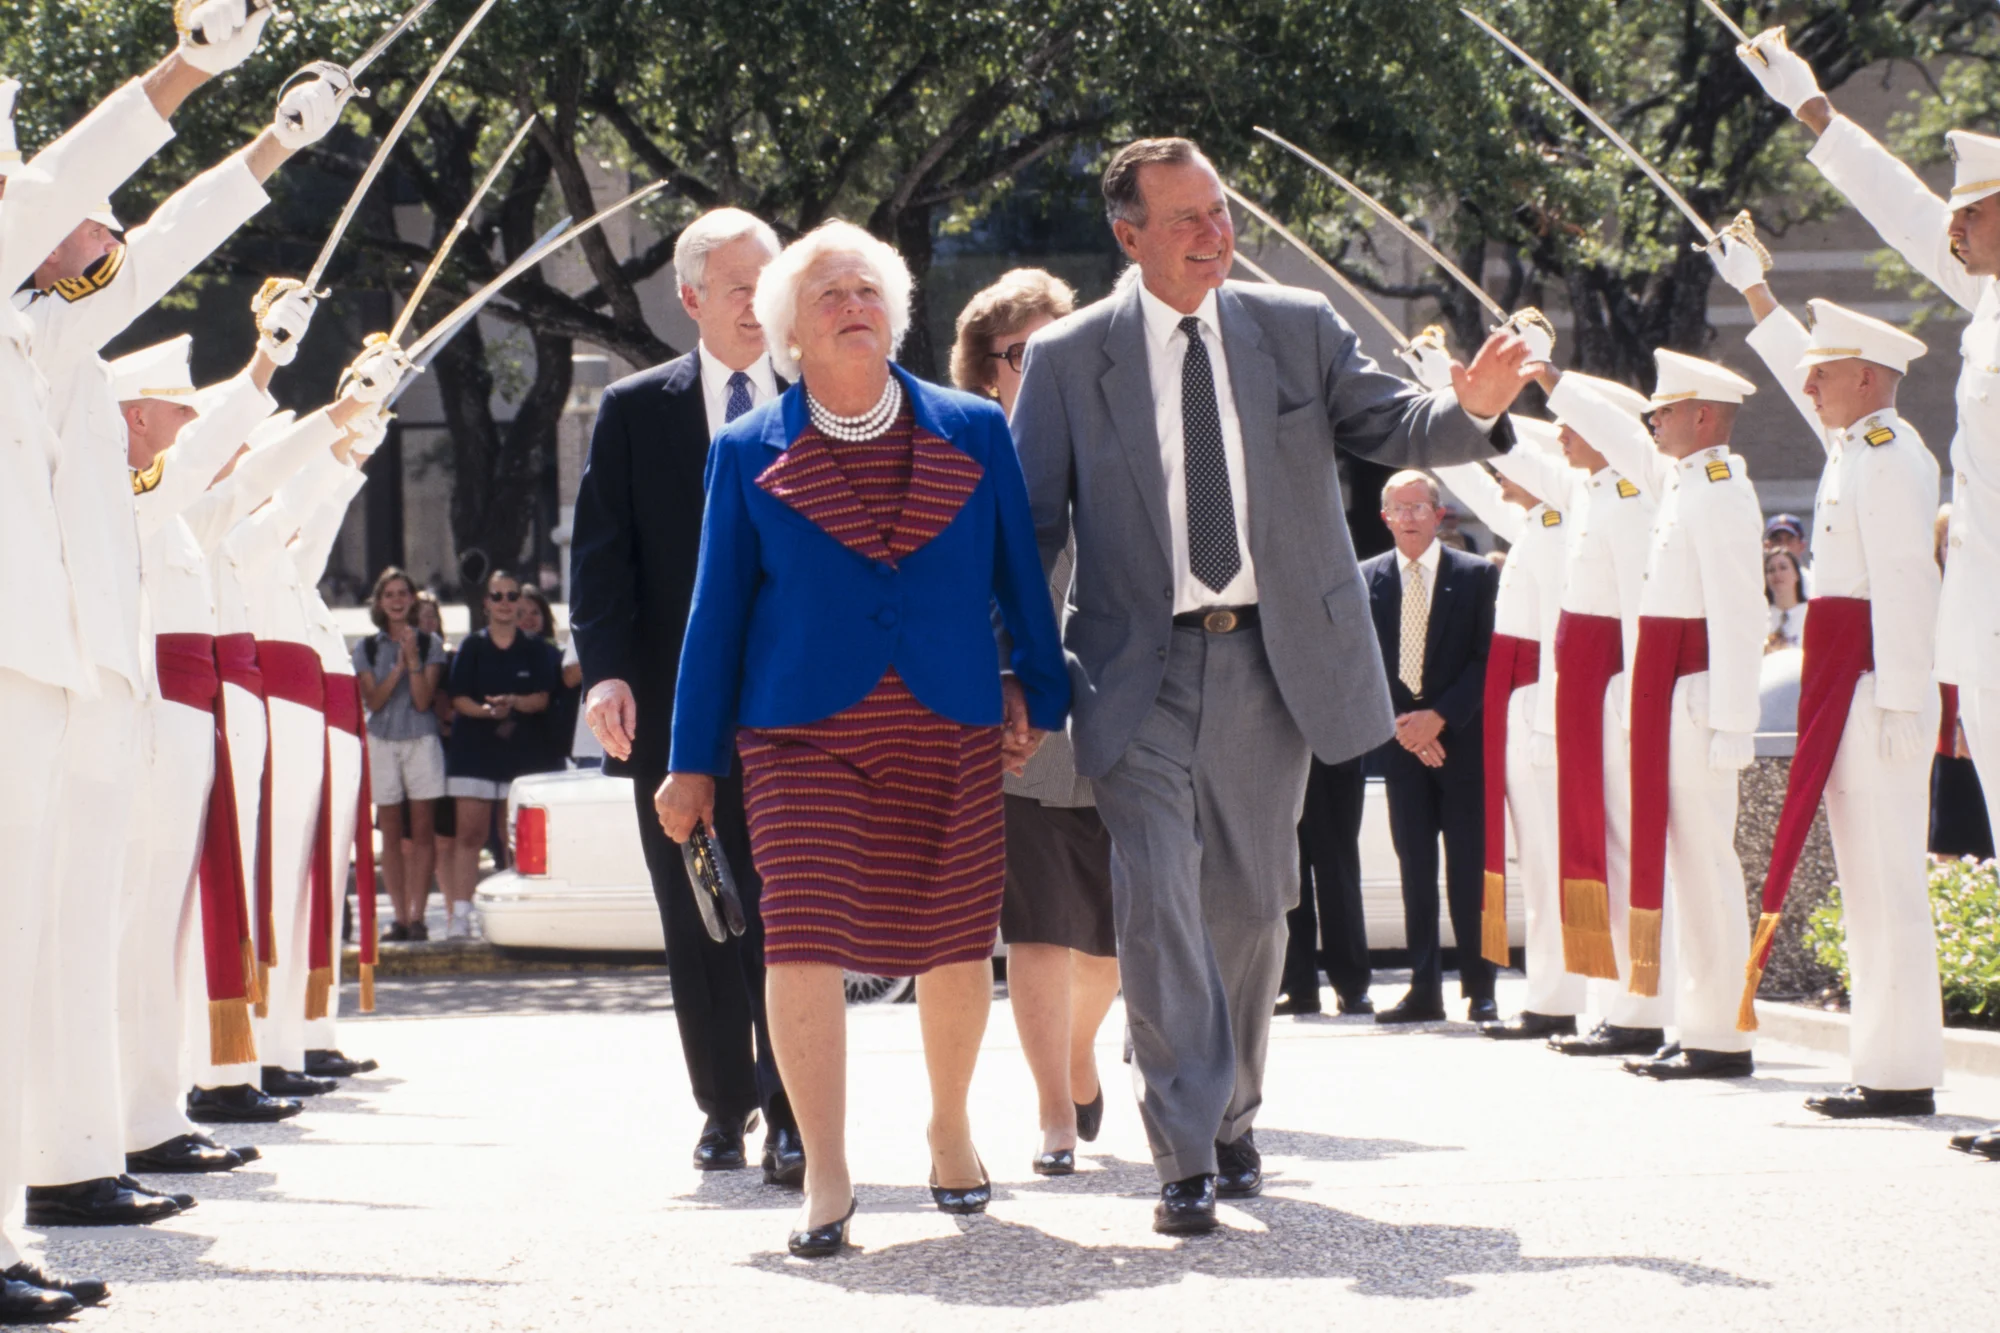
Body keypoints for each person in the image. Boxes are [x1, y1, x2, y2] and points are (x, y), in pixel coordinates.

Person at [1010, 135, 1533, 1236]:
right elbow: (1028, 530)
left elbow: (1397, 421)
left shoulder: (1293, 327)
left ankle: (1234, 1108)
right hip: (1129, 670)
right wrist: (1017, 669)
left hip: (1269, 660)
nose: (1216, 233)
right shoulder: (1067, 357)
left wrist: (1471, 406)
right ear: (1129, 236)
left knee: (1251, 904)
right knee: (1157, 898)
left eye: (1220, 211)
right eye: (1188, 218)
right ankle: (1184, 1148)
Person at [658, 219, 1068, 1257]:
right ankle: (828, 1170)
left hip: (949, 715)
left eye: (869, 291)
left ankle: (948, 1126)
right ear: (790, 325)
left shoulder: (974, 428)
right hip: (798, 728)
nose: (853, 305)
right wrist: (688, 761)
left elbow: (1019, 577)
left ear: (895, 314)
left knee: (952, 935)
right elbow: (715, 615)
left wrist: (1035, 685)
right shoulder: (745, 449)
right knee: (797, 934)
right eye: (829, 293)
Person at [18, 34, 348, 1234]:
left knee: (67, 939)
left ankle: (66, 1161)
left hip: (80, 671)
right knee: (32, 942)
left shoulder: (47, 337)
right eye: (67, 211)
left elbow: (152, 253)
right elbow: (63, 193)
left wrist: (272, 145)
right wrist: (183, 72)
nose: (100, 232)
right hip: (32, 670)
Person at [571, 208, 801, 1182]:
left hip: (798, 711)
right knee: (702, 911)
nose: (758, 304)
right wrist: (607, 671)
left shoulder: (823, 395)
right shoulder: (634, 411)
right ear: (691, 298)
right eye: (738, 286)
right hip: (673, 717)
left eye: (770, 282)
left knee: (794, 915)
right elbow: (601, 561)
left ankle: (796, 1109)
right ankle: (723, 1105)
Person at [1739, 26, 2000, 882]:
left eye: (1974, 211)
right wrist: (1812, 110)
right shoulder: (1987, 296)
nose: (1955, 225)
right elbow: (1907, 214)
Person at [1713, 246, 1947, 1118]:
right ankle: (1882, 1063)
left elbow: (1906, 585)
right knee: (1864, 882)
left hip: (1877, 685)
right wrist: (1757, 294)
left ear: (1861, 376)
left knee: (1888, 881)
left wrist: (1898, 696)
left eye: (1821, 377)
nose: (1807, 391)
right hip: (1844, 682)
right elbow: (1787, 365)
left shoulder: (1892, 454)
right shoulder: (1856, 446)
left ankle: (1901, 1067)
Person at [951, 268, 1121, 1175]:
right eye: (1027, 353)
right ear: (987, 371)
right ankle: (1055, 1110)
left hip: (1123, 709)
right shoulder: (962, 454)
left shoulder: (1123, 440)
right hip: (1014, 719)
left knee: (1112, 940)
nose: (1050, 366)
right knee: (1040, 927)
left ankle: (1081, 1051)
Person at [1572, 349, 1766, 1081]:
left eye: (1667, 408)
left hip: (1696, 700)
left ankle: (1722, 1032)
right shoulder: (1681, 482)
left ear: (1704, 417)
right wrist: (1550, 380)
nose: (1652, 419)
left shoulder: (1718, 490)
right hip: (1668, 697)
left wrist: (1734, 721)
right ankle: (1698, 1024)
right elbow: (1617, 436)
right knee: (1686, 868)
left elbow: (1741, 612)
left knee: (1708, 866)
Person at [1432, 422, 1584, 1040]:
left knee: (1550, 860)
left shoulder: (1560, 527)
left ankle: (1558, 998)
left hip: (1540, 709)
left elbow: (1559, 639)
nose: (1498, 479)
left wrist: (1548, 721)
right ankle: (1550, 993)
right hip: (1519, 705)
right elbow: (1472, 472)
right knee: (1538, 863)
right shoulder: (1536, 526)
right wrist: (1448, 405)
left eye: (1511, 466)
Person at [1362, 472, 1502, 1025]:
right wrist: (1407, 730)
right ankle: (1424, 987)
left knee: (1471, 868)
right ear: (1386, 518)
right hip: (1401, 746)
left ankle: (1481, 986)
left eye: (1422, 506)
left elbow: (1487, 657)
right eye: (1401, 507)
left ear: (1440, 515)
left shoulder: (1474, 577)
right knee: (1415, 867)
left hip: (1463, 743)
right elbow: (1362, 663)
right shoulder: (1364, 579)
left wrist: (1439, 718)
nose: (1412, 516)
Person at [441, 568, 557, 940]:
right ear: (486, 603)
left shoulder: (536, 649)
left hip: (521, 757)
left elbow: (542, 698)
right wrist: (490, 712)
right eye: (497, 597)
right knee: (469, 836)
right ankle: (459, 914)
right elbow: (458, 698)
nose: (505, 604)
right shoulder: (472, 647)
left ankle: (518, 914)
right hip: (473, 752)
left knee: (515, 839)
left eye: (511, 597)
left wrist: (514, 703)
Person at [355, 568, 448, 942]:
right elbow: (374, 700)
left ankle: (418, 916)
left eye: (402, 594)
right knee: (390, 831)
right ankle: (397, 915)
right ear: (380, 602)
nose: (396, 600)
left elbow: (424, 700)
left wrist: (413, 659)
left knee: (423, 829)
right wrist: (397, 666)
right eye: (389, 594)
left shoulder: (431, 645)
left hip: (421, 740)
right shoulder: (367, 647)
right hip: (383, 739)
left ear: (412, 599)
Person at [1930, 507, 1995, 860]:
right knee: (1946, 846)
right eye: (1945, 544)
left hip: (1977, 727)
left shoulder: (1984, 595)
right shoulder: (1930, 598)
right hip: (1938, 736)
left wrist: (1964, 724)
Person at [517, 583, 574, 774]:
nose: (528, 618)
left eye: (535, 612)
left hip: (548, 747)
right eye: (520, 613)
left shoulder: (555, 652)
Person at [1763, 549, 1808, 651]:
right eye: (1771, 570)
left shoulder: (1810, 615)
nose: (1777, 574)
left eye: (1783, 568)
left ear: (1797, 574)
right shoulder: (1761, 617)